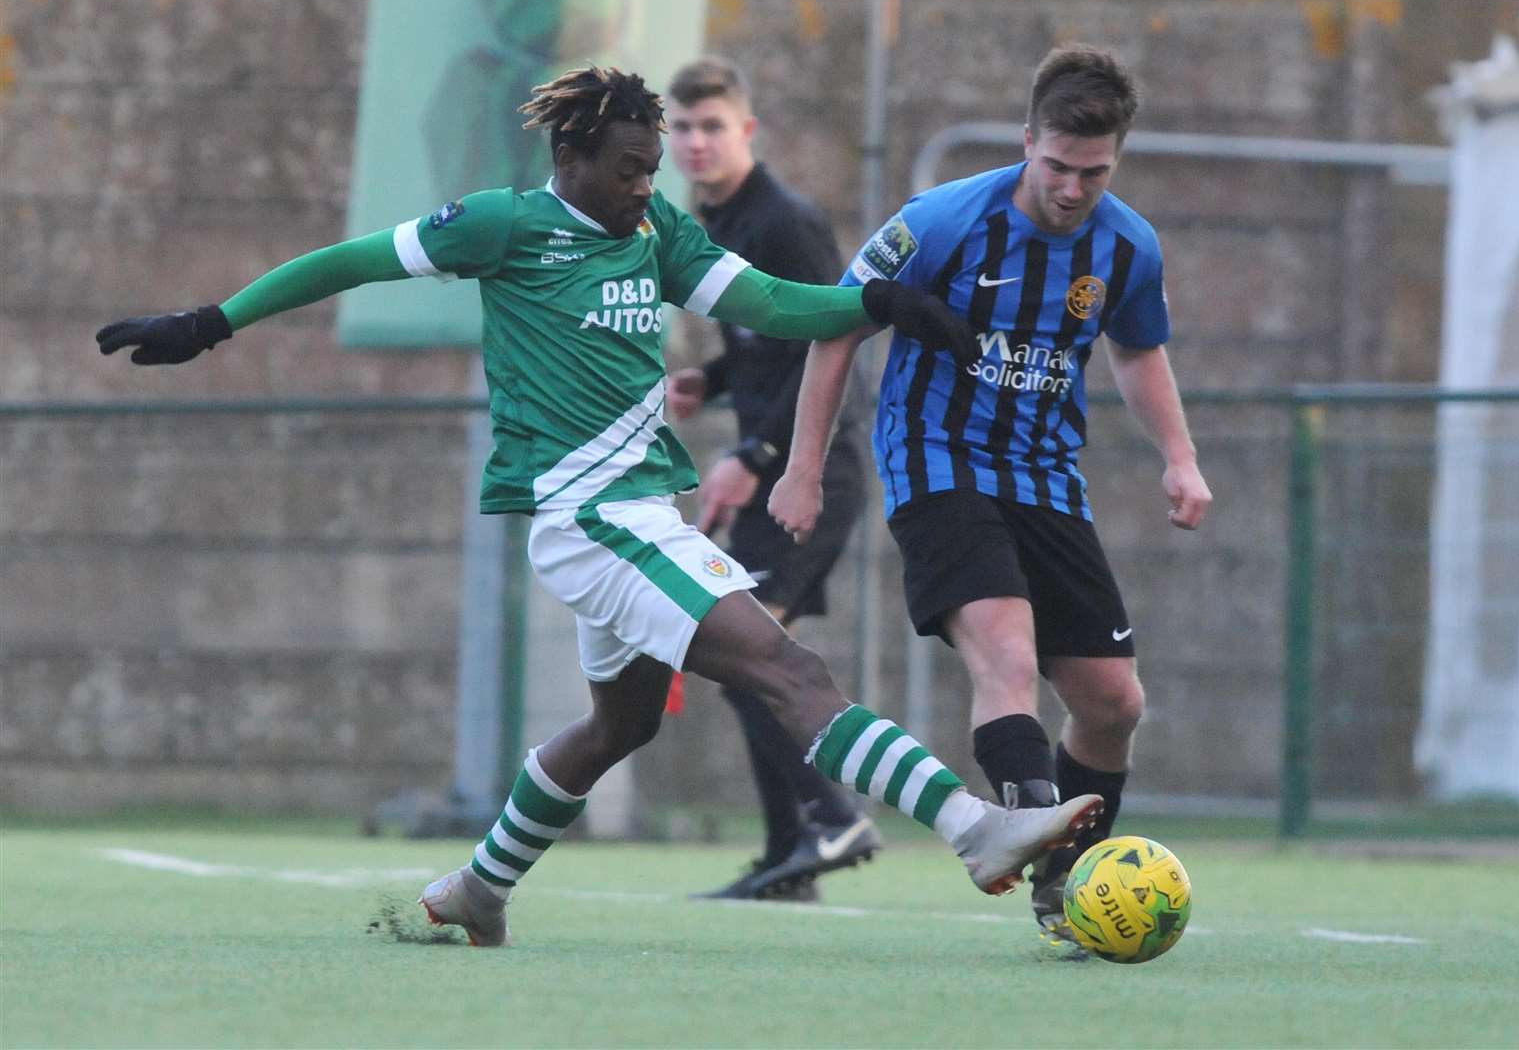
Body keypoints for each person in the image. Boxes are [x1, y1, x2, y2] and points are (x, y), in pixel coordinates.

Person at [94, 65, 1103, 947]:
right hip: (592, 522)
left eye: (651, 166)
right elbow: (349, 260)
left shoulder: (657, 229)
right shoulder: (503, 227)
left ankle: (479, 888)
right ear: (572, 156)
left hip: (640, 516)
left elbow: (767, 304)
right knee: (784, 665)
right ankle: (976, 829)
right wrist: (211, 320)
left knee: (620, 726)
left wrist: (876, 306)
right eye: (628, 167)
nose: (645, 185)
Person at [767, 44, 1212, 946]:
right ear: (1026, 143)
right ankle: (1025, 820)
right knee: (1004, 655)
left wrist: (1180, 456)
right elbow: (833, 329)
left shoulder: (1127, 244)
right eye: (1057, 166)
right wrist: (803, 466)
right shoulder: (940, 221)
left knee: (1113, 702)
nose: (1073, 188)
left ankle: (1061, 884)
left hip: (1047, 476)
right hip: (937, 465)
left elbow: (1136, 349)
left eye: (1094, 171)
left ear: (1115, 158)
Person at [663, 56, 879, 902]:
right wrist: (709, 383)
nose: (695, 142)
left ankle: (832, 820)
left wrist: (754, 459)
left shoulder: (784, 220)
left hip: (813, 472)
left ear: (746, 131)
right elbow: (768, 345)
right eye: (682, 128)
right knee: (746, 660)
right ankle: (794, 856)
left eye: (712, 126)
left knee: (748, 654)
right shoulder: (707, 221)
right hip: (773, 465)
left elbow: (833, 346)